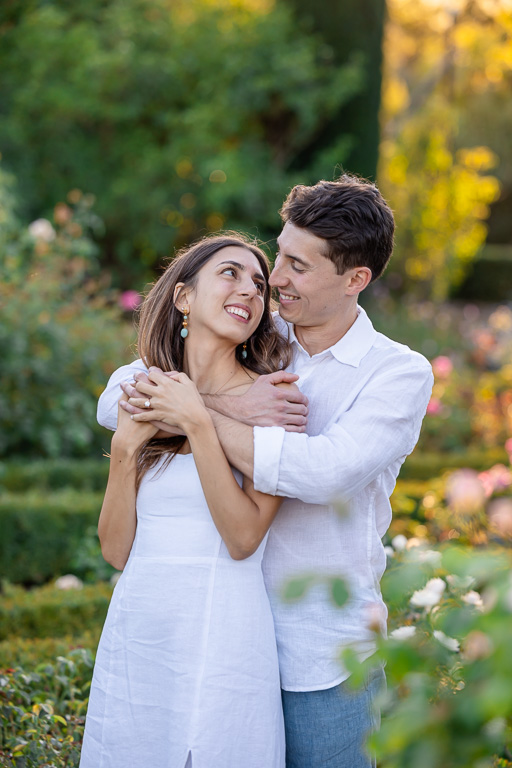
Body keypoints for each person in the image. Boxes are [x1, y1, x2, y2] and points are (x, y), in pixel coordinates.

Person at [98, 174, 434, 768]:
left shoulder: (395, 373)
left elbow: (322, 472)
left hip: (319, 652)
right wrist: (224, 405)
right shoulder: (256, 330)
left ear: (356, 279)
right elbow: (119, 398)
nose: (274, 278)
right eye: (280, 254)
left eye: (298, 267)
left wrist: (198, 413)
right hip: (216, 629)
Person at [80, 234, 294, 768]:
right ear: (182, 298)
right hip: (141, 627)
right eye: (230, 273)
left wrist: (199, 421)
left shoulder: (275, 401)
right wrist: (125, 452)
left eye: (258, 283)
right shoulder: (141, 387)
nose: (249, 289)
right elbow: (114, 551)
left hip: (225, 626)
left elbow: (244, 539)